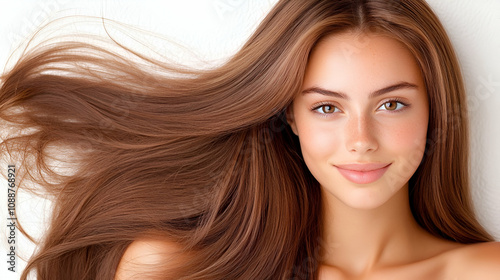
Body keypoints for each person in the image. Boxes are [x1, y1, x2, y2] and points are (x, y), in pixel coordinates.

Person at [0, 0, 499, 279]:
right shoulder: (180, 268)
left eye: (392, 104)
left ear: (435, 111)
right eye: (327, 107)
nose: (360, 139)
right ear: (291, 116)